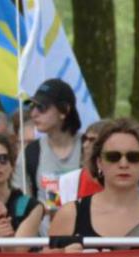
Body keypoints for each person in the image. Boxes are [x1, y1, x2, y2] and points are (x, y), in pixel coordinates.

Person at [49, 118, 139, 247]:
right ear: (99, 162)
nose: (123, 164)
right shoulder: (70, 215)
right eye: (113, 157)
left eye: (133, 157)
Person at [22, 79, 82, 210]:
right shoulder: (31, 152)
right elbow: (24, 205)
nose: (33, 114)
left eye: (42, 107)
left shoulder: (89, 148)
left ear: (64, 110)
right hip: (44, 230)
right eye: (32, 107)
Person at [58, 120, 109, 205]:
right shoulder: (68, 180)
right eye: (85, 139)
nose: (85, 145)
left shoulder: (119, 178)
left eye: (92, 140)